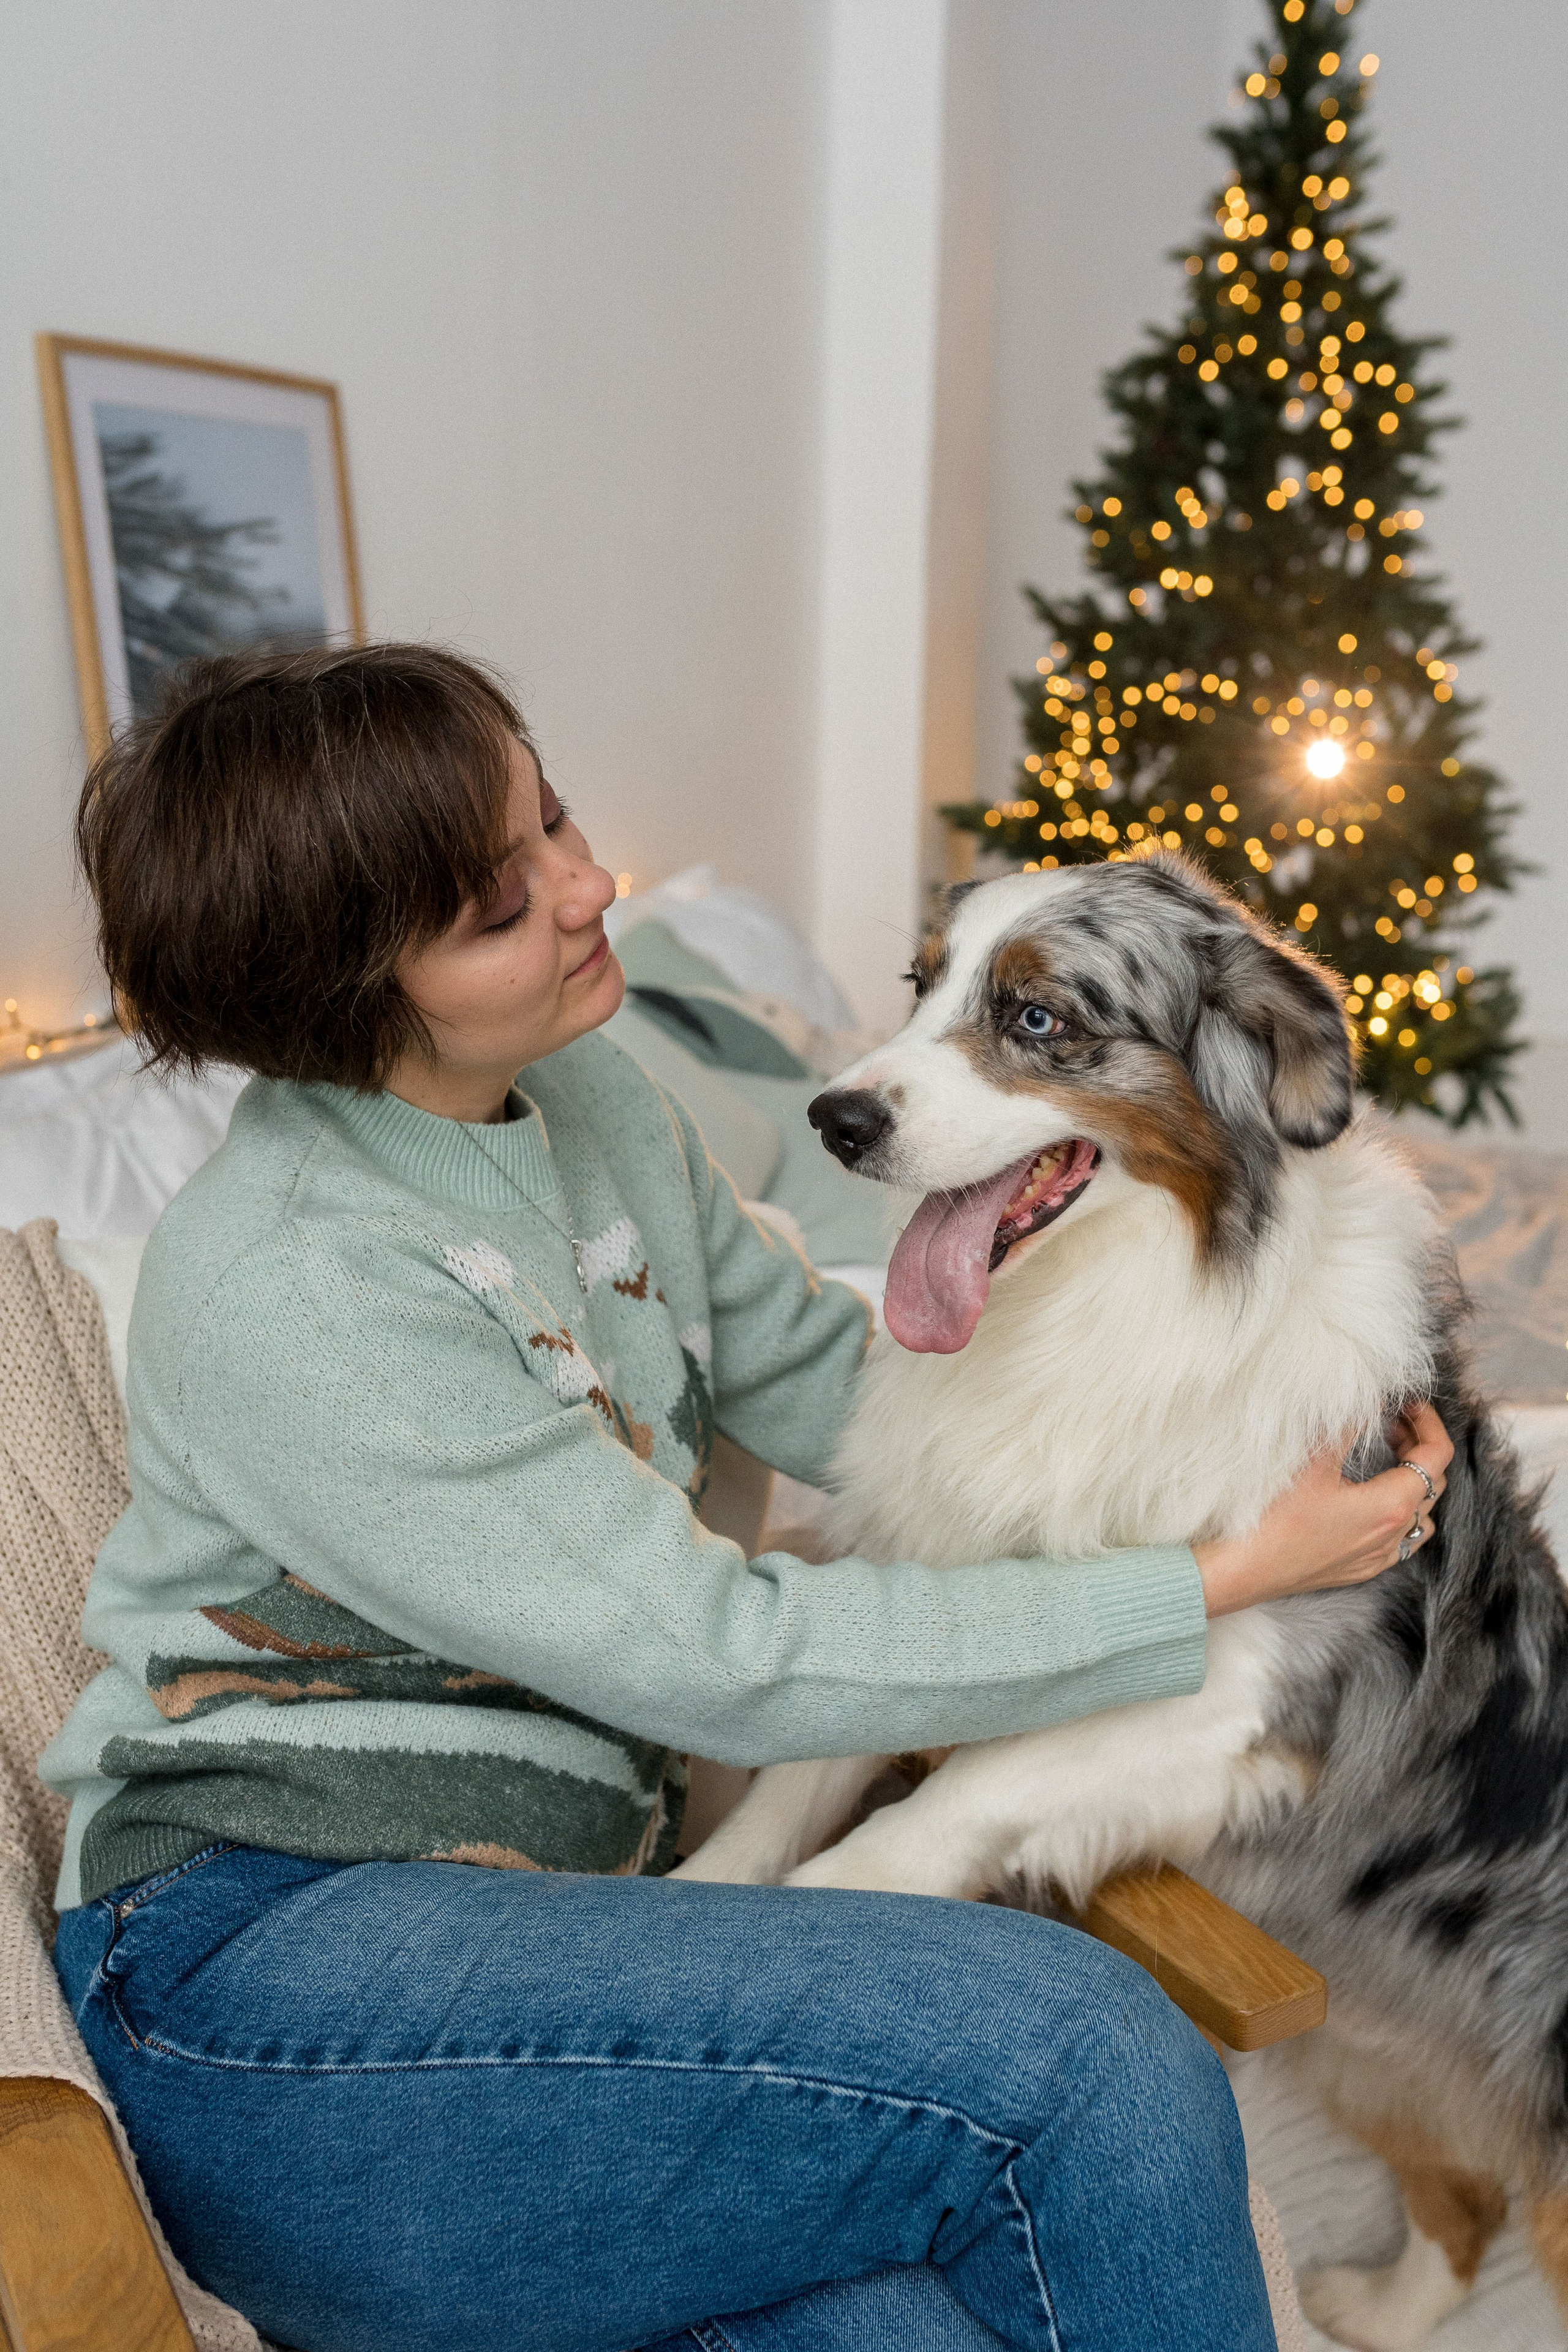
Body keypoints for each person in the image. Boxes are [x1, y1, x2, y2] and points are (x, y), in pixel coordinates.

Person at [46, 644, 1450, 2352]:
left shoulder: (588, 1096)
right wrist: (1218, 1582)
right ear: (347, 999)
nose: (589, 887)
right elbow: (725, 1657)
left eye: (555, 820)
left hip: (578, 1927)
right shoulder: (299, 1282)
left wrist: (1220, 1424)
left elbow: (838, 1387)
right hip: (276, 1982)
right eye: (502, 905)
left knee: (928, 2327)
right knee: (1088, 2048)